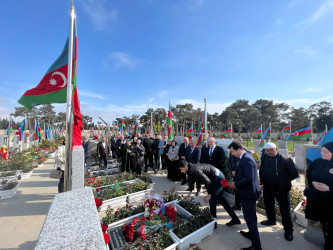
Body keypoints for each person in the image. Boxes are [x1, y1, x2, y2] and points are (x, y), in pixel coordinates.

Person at [181, 160, 240, 228]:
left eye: (182, 169)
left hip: (218, 178)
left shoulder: (195, 170)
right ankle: (235, 219)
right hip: (214, 178)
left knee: (212, 200)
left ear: (185, 167)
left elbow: (207, 181)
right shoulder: (190, 169)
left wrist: (209, 194)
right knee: (221, 200)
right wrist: (188, 194)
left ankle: (213, 224)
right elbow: (191, 181)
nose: (181, 171)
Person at [259, 142, 298, 241]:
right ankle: (271, 220)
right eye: (267, 150)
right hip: (268, 187)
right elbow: (262, 170)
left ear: (276, 149)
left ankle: (288, 230)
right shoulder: (264, 157)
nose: (270, 152)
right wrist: (262, 183)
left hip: (281, 189)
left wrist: (282, 180)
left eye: (271, 150)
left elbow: (294, 174)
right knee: (268, 205)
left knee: (285, 210)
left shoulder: (285, 160)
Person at [228, 141, 262, 250]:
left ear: (239, 149)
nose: (232, 154)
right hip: (246, 193)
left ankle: (256, 246)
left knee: (250, 219)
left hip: (249, 194)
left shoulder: (247, 159)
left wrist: (235, 184)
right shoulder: (244, 157)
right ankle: (251, 233)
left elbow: (249, 178)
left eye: (233, 152)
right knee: (250, 218)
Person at [305, 142, 333, 250]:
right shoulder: (317, 162)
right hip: (319, 202)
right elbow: (309, 174)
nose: (322, 153)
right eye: (322, 151)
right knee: (324, 225)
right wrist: (313, 183)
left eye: (326, 151)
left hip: (331, 204)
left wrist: (329, 188)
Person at [228, 136, 251, 211]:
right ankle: (237, 205)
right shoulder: (232, 151)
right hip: (234, 174)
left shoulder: (247, 153)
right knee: (236, 190)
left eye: (235, 143)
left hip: (242, 176)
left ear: (241, 143)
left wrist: (237, 172)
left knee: (242, 190)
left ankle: (243, 205)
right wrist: (231, 171)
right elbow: (229, 162)